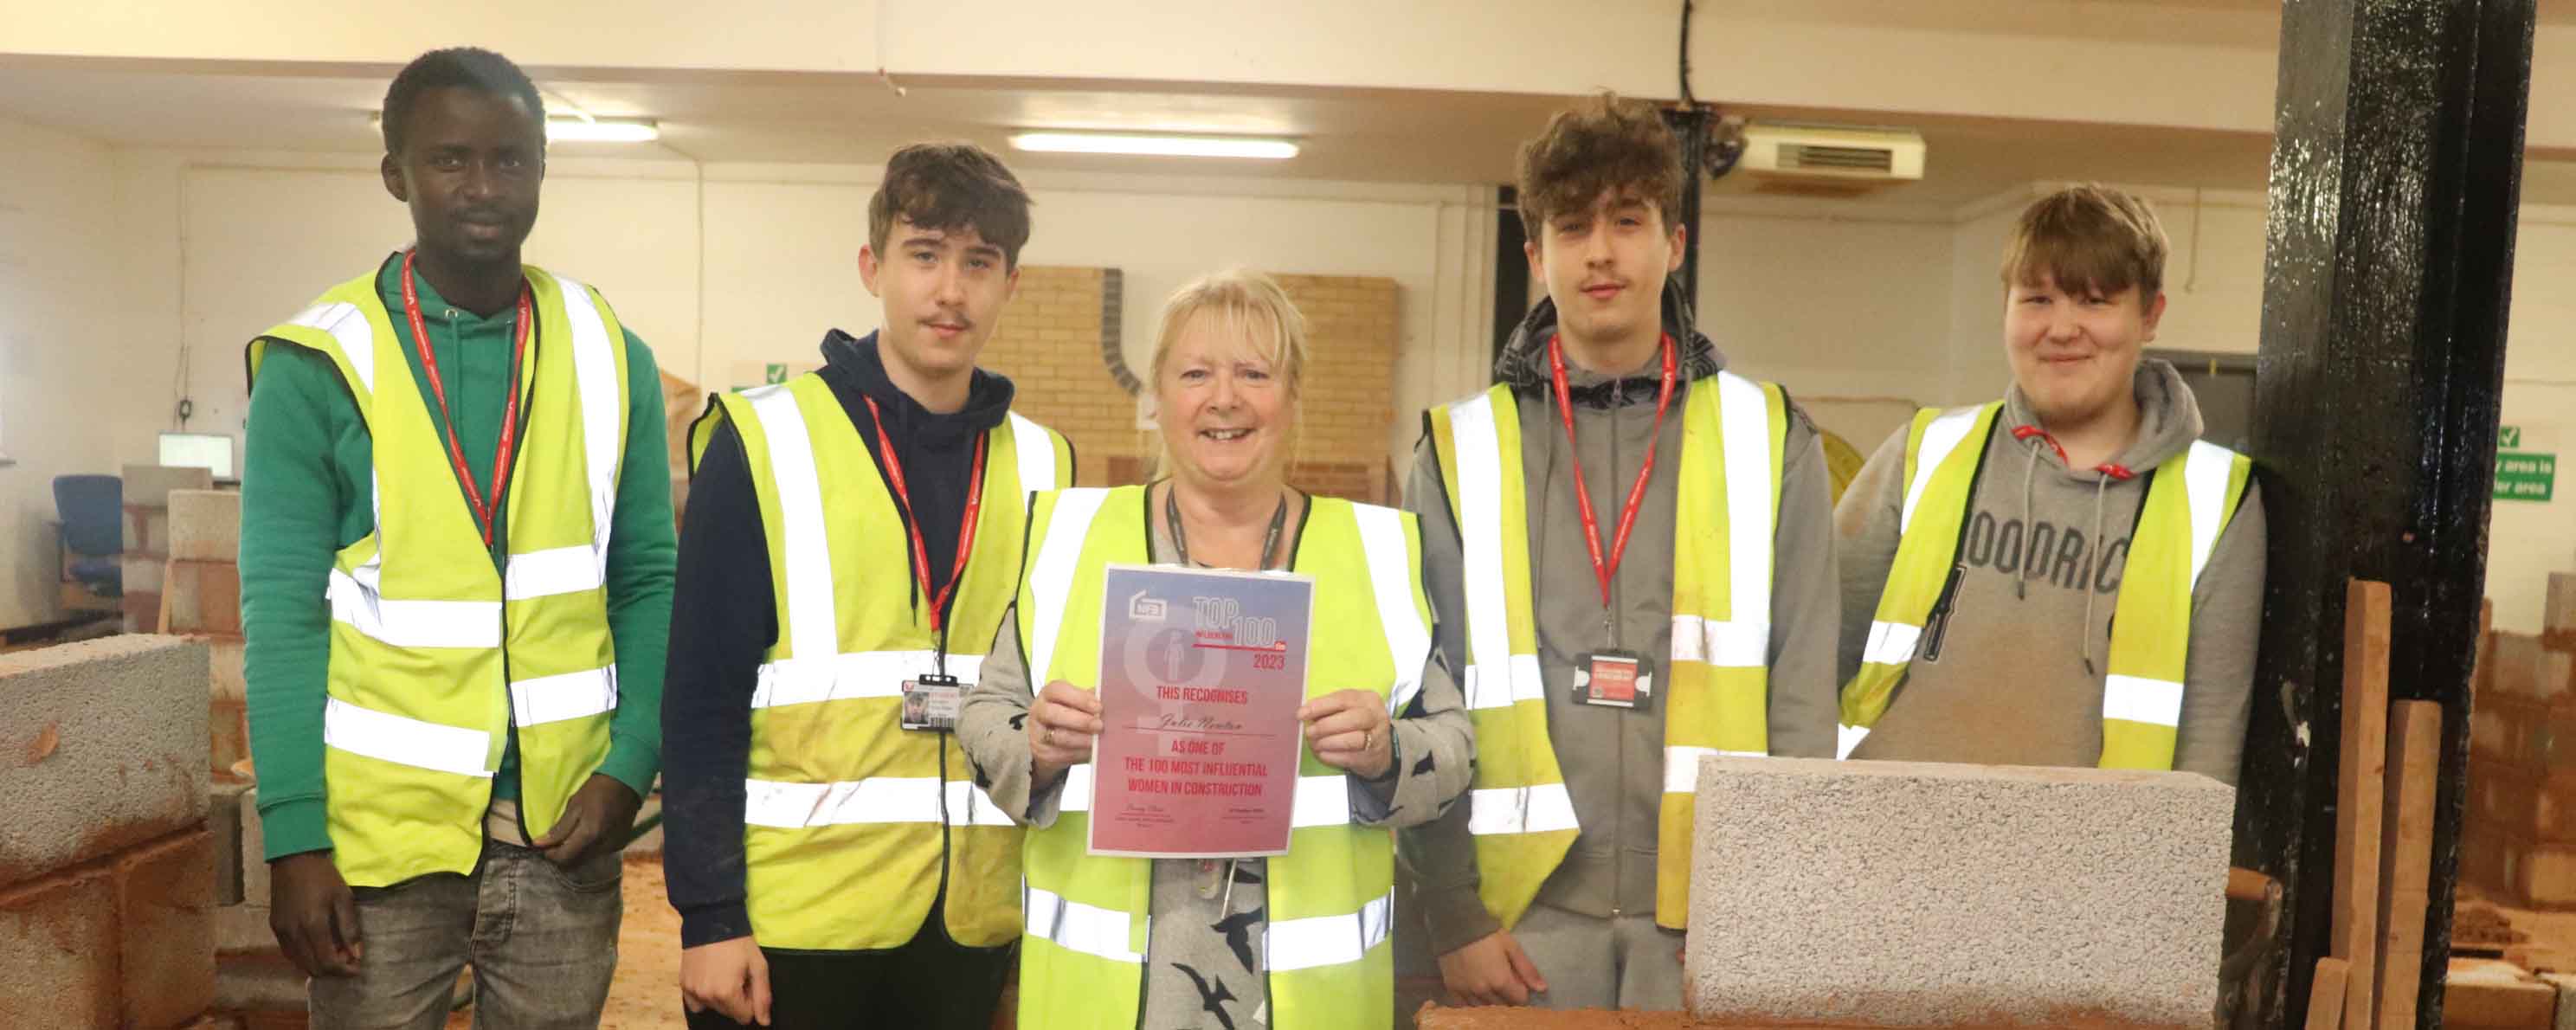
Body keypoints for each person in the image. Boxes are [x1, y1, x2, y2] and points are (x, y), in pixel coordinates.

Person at [240, 46, 675, 1027]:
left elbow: (648, 577)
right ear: (396, 173)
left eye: (511, 160)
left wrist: (628, 764)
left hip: (565, 832)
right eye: (450, 160)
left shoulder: (611, 353)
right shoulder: (318, 363)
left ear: (542, 168)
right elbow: (282, 614)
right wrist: (293, 839)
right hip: (379, 851)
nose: (483, 186)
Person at [1401, 95, 1840, 1012]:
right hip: (1517, 924)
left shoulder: (1771, 436)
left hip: (1710, 924)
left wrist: (1777, 916)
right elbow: (1421, 690)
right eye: (1572, 226)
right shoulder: (1459, 450)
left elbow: (1802, 696)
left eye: (1628, 221)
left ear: (1674, 242)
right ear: (1536, 255)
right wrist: (1453, 915)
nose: (1601, 251)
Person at [958, 270, 1474, 1029]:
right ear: (1158, 397)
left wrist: (1384, 750)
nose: (1223, 398)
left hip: (1304, 1003)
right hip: (1108, 1002)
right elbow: (983, 719)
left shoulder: (1375, 548)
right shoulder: (1072, 539)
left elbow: (1455, 748)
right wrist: (1033, 746)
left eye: (1254, 373)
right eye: (1195, 373)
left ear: (1293, 396)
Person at [662, 142, 1073, 1029]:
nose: (950, 290)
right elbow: (700, 696)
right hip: (795, 921)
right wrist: (710, 914)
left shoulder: (1046, 464)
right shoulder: (765, 439)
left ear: (1012, 284)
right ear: (872, 267)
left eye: (979, 262)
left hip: (973, 921)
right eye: (924, 254)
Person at [1833, 183, 2264, 782]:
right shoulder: (1926, 451)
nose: (2062, 329)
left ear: (2150, 317)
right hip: (1879, 840)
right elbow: (1815, 657)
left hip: (2090, 863)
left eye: (2093, 301)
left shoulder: (2218, 497)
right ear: (2005, 308)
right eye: (2037, 299)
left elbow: (2210, 741)